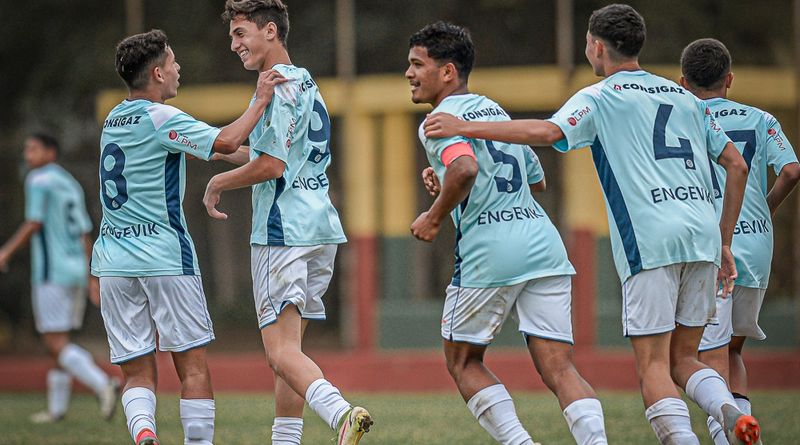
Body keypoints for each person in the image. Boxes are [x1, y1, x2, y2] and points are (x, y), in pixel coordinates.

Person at [423, 4, 762, 445]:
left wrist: (467, 125)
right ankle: (729, 409)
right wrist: (725, 240)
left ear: (596, 46)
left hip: (652, 241)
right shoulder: (684, 97)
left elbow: (547, 133)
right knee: (685, 360)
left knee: (656, 368)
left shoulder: (600, 96)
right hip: (702, 236)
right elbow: (736, 165)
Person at [408, 21, 608, 445]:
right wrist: (446, 181)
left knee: (462, 361)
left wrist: (434, 215)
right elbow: (536, 183)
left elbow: (465, 168)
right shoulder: (494, 111)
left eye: (416, 64)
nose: (408, 74)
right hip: (543, 244)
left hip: (492, 249)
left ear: (447, 72)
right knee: (560, 367)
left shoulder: (440, 120)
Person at [95, 28, 285, 445]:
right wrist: (261, 98)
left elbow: (217, 149)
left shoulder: (115, 117)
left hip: (113, 262)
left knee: (137, 371)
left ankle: (144, 433)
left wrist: (268, 161)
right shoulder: (162, 117)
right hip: (164, 257)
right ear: (159, 74)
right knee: (193, 368)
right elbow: (228, 138)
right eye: (174, 62)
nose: (179, 68)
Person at [204, 2, 372, 444]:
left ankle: (342, 414)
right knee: (290, 354)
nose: (235, 45)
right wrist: (216, 149)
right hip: (318, 227)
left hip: (282, 233)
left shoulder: (275, 87)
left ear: (271, 31)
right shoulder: (306, 80)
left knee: (280, 354)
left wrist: (218, 181)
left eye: (241, 34)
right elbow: (271, 156)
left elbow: (273, 166)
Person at [680, 38, 800, 445]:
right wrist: (765, 209)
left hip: (713, 247)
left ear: (682, 82)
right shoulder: (761, 118)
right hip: (757, 245)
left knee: (706, 359)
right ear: (729, 79)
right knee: (732, 351)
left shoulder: (684, 116)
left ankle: (729, 435)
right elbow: (792, 170)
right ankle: (745, 430)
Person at [0, 133, 119, 424]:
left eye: (34, 149)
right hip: (77, 269)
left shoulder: (38, 180)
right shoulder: (69, 182)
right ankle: (57, 409)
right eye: (26, 149)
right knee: (60, 339)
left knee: (54, 341)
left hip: (51, 272)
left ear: (50, 152)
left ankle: (102, 383)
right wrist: (92, 275)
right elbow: (83, 233)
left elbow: (34, 222)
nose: (28, 155)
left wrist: (5, 252)